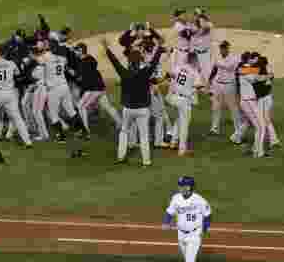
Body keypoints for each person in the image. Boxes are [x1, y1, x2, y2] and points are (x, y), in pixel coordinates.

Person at [102, 37, 164, 167]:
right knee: (144, 135)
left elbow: (115, 62)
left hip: (128, 109)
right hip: (143, 110)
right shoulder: (145, 73)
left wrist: (106, 48)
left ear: (129, 61)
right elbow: (154, 62)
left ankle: (121, 157)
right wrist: (159, 48)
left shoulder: (124, 73)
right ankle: (146, 162)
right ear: (140, 60)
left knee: (124, 131)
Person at [162, 176, 211, 262]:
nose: (182, 188)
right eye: (180, 185)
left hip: (194, 233)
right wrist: (165, 222)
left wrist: (204, 228)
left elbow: (208, 214)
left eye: (184, 186)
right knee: (186, 256)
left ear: (191, 187)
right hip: (181, 233)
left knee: (189, 260)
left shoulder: (199, 200)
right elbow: (169, 212)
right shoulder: (176, 198)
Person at [73, 43, 122, 137]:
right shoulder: (91, 58)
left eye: (76, 50)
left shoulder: (82, 63)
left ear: (80, 50)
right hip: (100, 87)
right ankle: (120, 122)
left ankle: (85, 131)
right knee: (107, 106)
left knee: (81, 106)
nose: (75, 52)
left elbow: (80, 78)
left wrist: (73, 73)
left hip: (93, 89)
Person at [166, 51, 205, 156]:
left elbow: (171, 75)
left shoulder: (179, 67)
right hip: (184, 100)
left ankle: (173, 142)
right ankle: (182, 150)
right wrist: (202, 87)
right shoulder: (194, 72)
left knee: (179, 119)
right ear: (194, 60)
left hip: (174, 97)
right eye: (196, 60)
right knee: (184, 125)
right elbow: (198, 86)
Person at [209, 40, 245, 138]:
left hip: (229, 86)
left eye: (224, 48)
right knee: (215, 107)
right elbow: (214, 69)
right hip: (217, 85)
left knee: (233, 108)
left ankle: (238, 130)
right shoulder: (217, 57)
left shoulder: (234, 58)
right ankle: (214, 128)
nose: (222, 50)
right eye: (221, 48)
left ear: (227, 48)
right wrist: (210, 81)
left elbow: (229, 67)